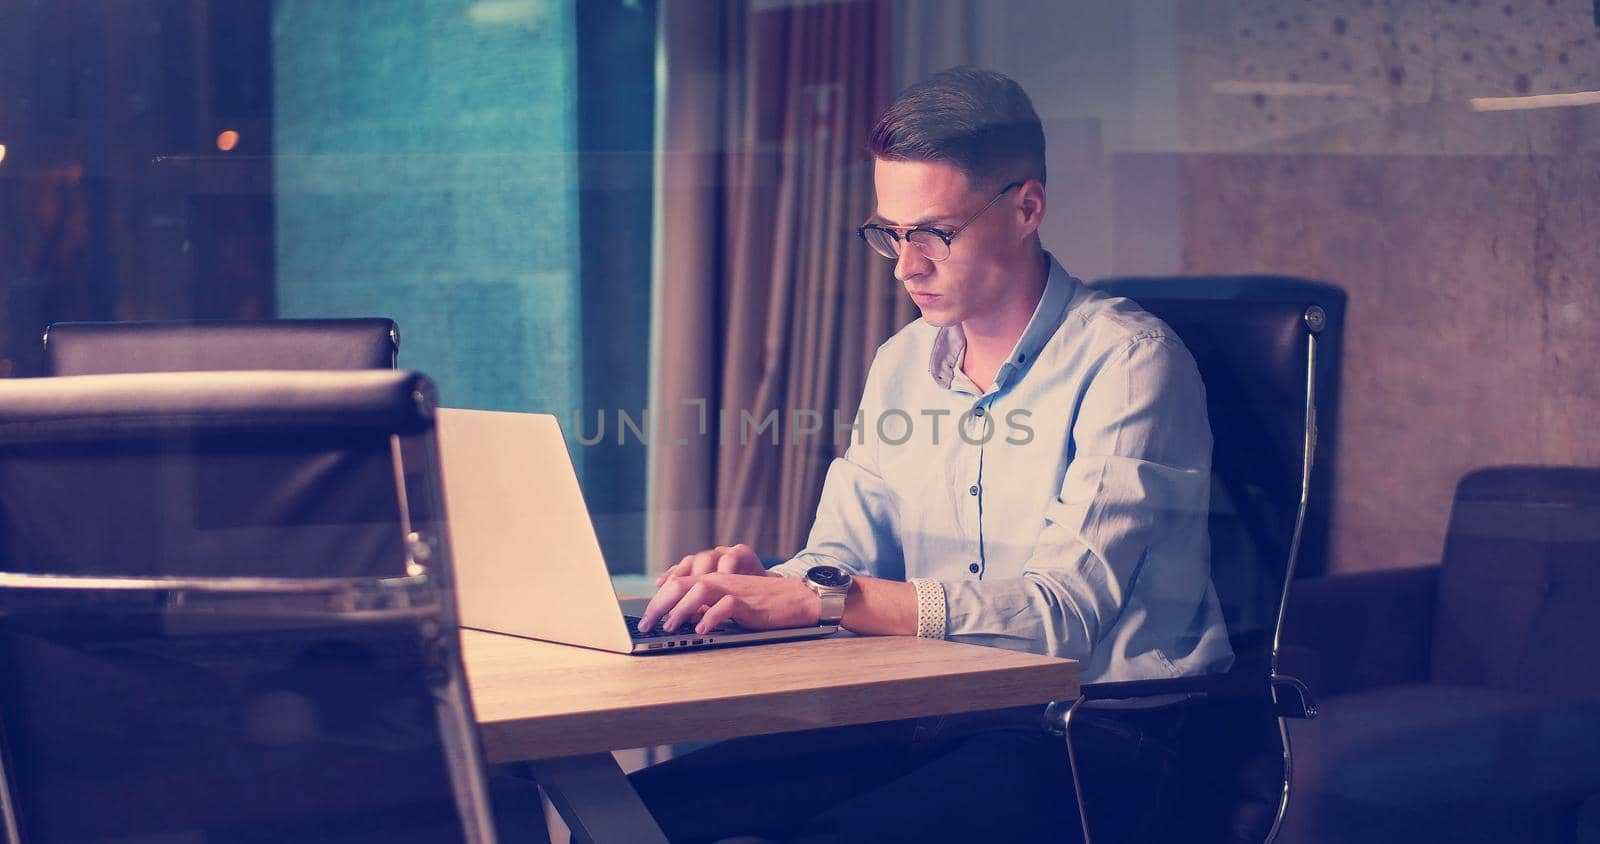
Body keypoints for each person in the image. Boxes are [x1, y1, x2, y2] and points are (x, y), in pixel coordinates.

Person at [631, 66, 1232, 844]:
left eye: (934, 233)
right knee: (633, 816)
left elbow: (1065, 616)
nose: (905, 264)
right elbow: (842, 554)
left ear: (1027, 208)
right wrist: (765, 587)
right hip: (915, 709)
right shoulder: (903, 361)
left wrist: (822, 597)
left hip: (1091, 733)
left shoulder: (1133, 363)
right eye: (891, 231)